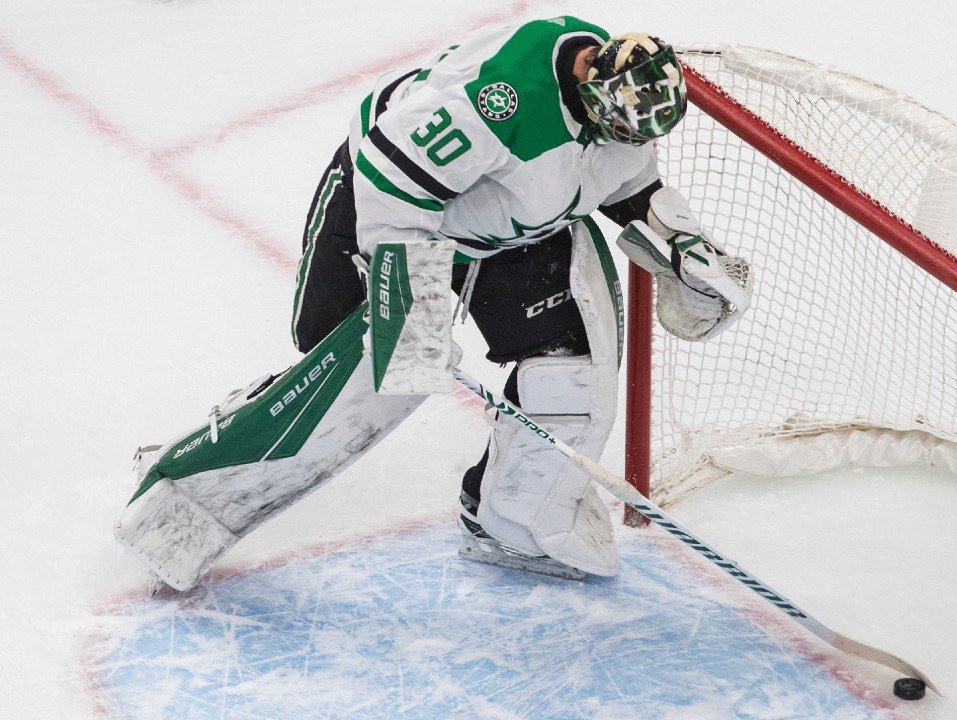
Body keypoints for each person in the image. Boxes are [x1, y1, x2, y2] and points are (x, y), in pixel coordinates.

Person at [114, 16, 752, 591]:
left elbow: (626, 177)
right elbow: (391, 187)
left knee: (573, 380)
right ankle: (190, 492)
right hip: (392, 210)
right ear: (589, 78)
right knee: (357, 377)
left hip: (514, 235)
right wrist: (411, 306)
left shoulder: (625, 95)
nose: (622, 139)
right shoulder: (496, 100)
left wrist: (681, 244)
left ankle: (511, 518)